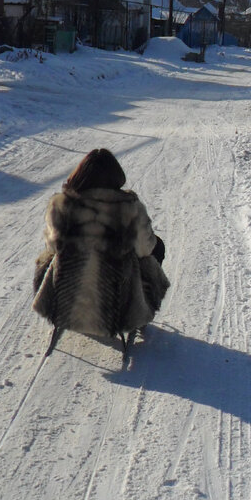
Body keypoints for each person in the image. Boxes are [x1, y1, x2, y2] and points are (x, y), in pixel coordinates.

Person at [32, 148, 169, 359]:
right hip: (117, 312)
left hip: (68, 305)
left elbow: (52, 246)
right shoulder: (129, 206)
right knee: (156, 246)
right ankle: (139, 308)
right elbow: (145, 248)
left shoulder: (61, 205)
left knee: (47, 257)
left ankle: (69, 305)